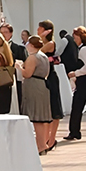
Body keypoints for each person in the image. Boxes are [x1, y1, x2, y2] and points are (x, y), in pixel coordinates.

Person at [16, 36, 52, 154]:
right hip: (42, 85)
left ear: (31, 45)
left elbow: (27, 74)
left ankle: (40, 145)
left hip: (34, 87)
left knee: (36, 117)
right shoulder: (44, 56)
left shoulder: (32, 57)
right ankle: (42, 144)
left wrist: (19, 67)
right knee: (40, 118)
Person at [37, 20, 63, 152]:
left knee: (54, 108)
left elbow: (37, 52)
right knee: (47, 108)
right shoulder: (43, 42)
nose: (37, 30)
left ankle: (51, 139)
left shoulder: (50, 44)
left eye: (40, 29)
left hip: (51, 77)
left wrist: (41, 38)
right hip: (43, 77)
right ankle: (46, 139)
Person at [1, 23, 26, 109]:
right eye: (1, 32)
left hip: (14, 77)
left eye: (5, 32)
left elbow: (24, 62)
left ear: (11, 33)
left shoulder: (18, 48)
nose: (3, 34)